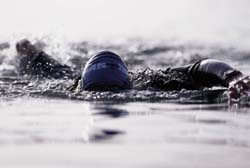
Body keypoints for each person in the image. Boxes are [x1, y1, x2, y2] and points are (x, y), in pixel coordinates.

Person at [15, 39, 250, 99]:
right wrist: (32, 56)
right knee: (49, 66)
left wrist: (232, 77)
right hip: (74, 76)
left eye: (112, 91)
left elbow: (202, 66)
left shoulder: (154, 81)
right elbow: (54, 70)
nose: (105, 98)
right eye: (100, 91)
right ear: (82, 88)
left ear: (128, 85)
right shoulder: (72, 83)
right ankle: (32, 51)